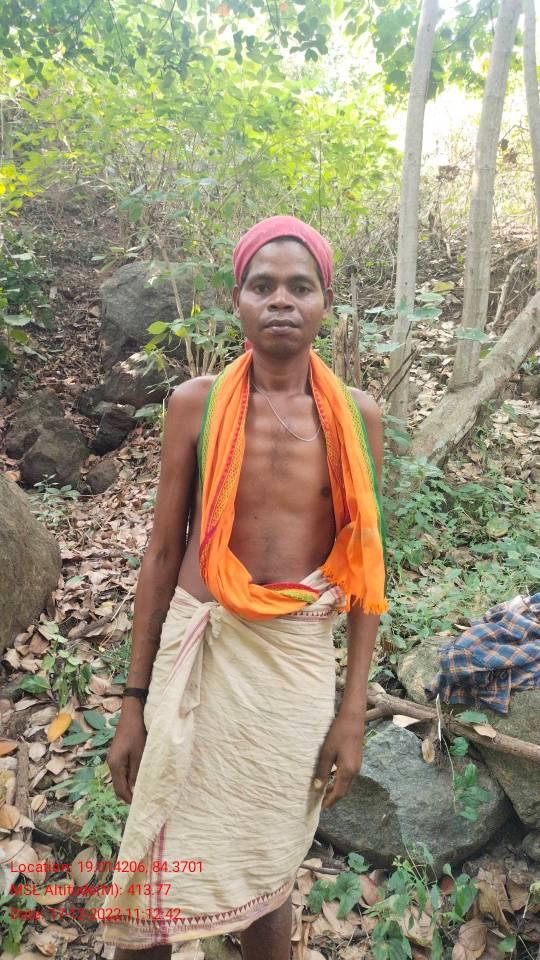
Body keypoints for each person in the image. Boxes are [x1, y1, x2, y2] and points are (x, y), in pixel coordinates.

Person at [103, 215, 388, 959]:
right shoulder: (194, 404)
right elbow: (163, 552)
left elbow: (365, 567)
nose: (281, 300)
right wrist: (132, 702)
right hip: (199, 649)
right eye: (263, 286)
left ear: (326, 303)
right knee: (153, 868)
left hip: (291, 667)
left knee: (269, 871)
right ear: (238, 302)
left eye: (300, 286)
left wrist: (352, 712)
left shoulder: (358, 418)